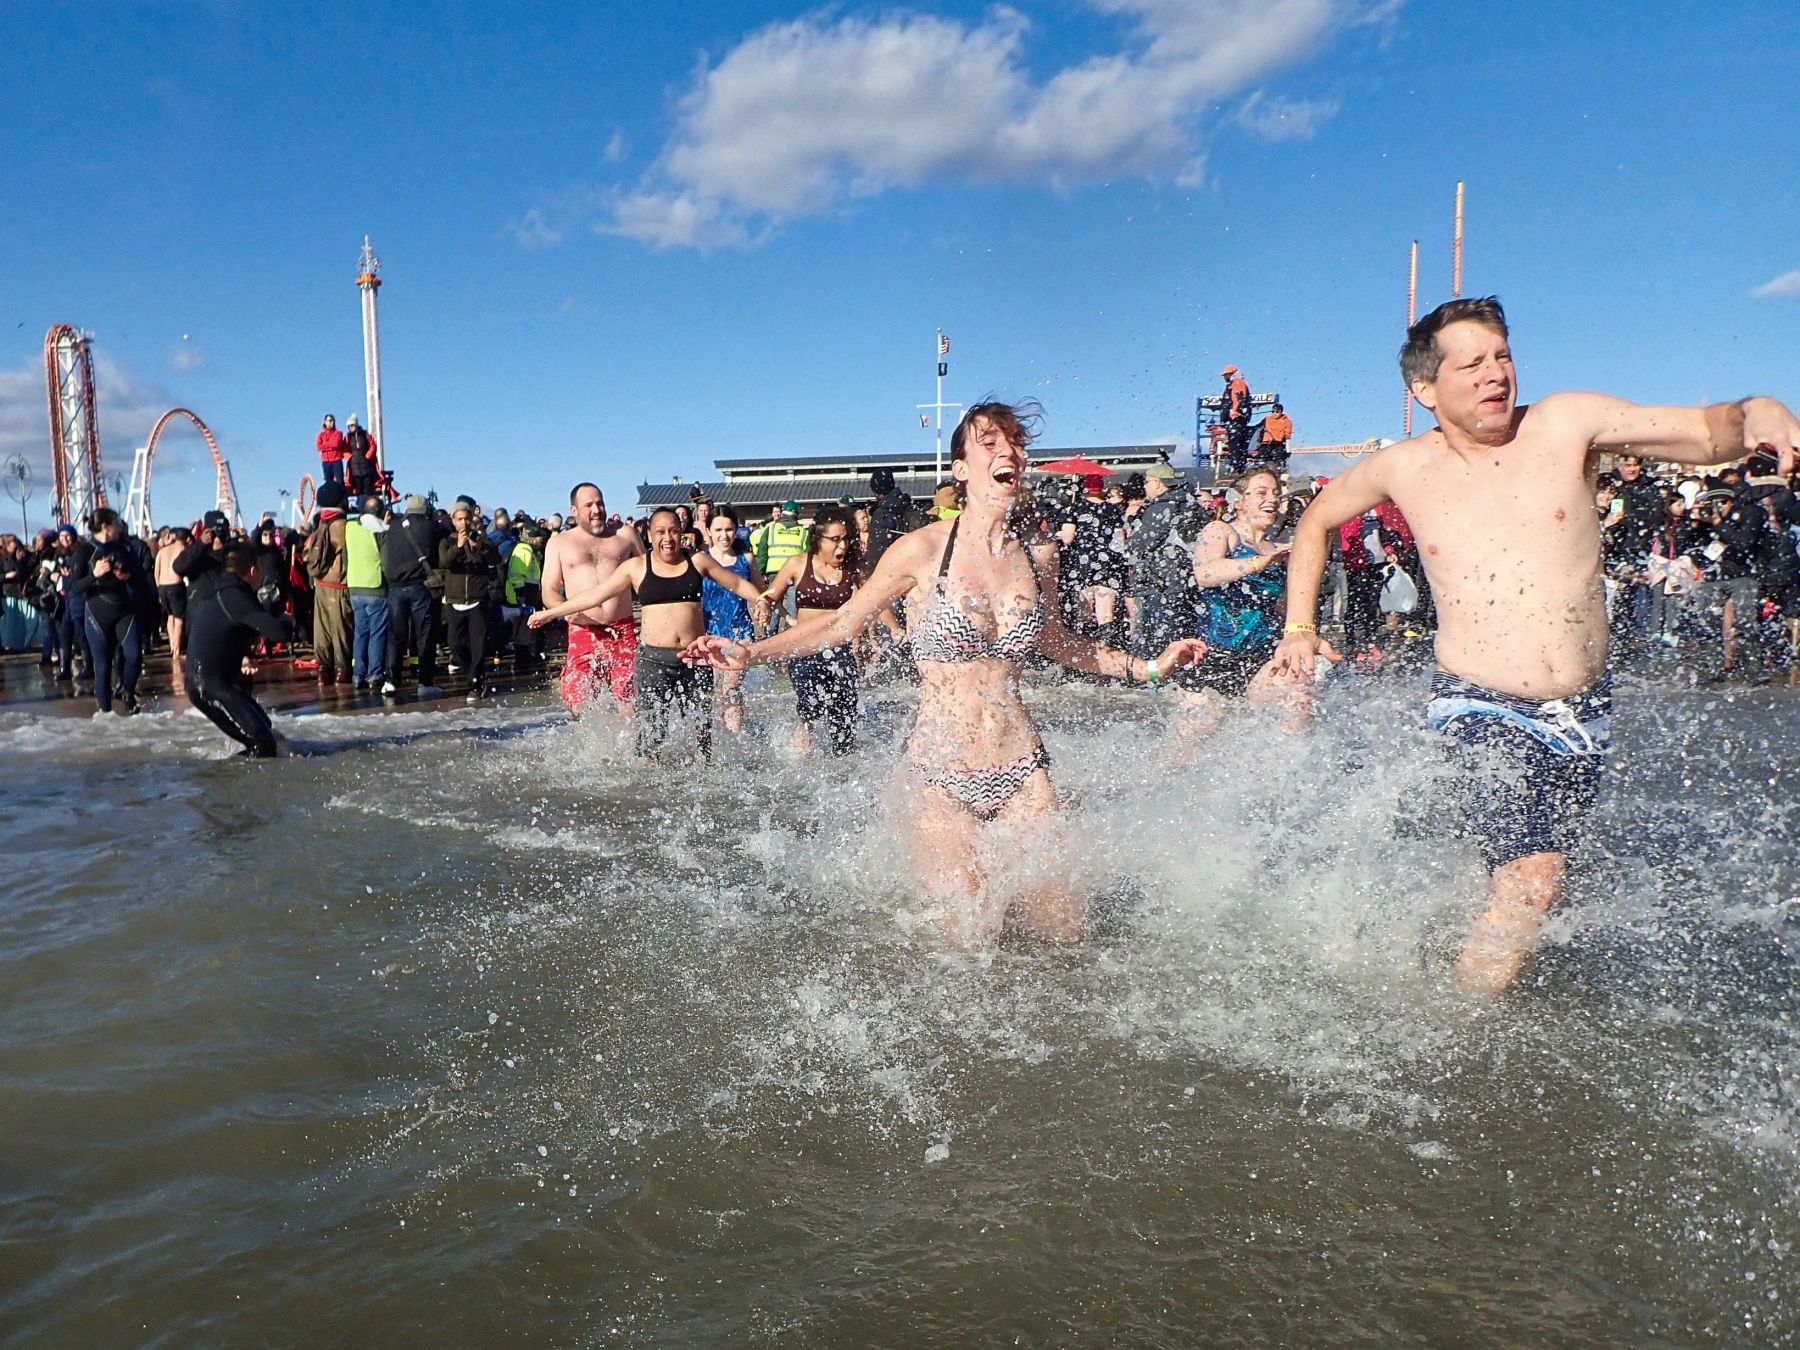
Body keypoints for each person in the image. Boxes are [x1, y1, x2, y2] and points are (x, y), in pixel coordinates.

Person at [1270, 295, 1800, 994]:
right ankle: (1454, 1042)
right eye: (1472, 365)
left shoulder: (1563, 424)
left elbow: (1705, 432)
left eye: (1503, 357)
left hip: (1586, 710)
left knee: (1538, 883)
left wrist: (1756, 410)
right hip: (1479, 701)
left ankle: (1468, 961)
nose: (1496, 375)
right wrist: (1300, 629)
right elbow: (1314, 522)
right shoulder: (1401, 467)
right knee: (1534, 881)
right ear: (1424, 389)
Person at [683, 401, 1206, 947]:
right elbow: (842, 623)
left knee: (1065, 935)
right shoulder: (922, 549)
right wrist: (751, 653)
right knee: (965, 945)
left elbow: (1059, 644)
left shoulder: (1036, 557)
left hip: (1023, 766)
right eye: (990, 443)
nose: (1008, 452)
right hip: (941, 771)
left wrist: (1148, 667)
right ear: (960, 468)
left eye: (1015, 445)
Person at [529, 507, 768, 761]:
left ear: (682, 533)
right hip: (654, 661)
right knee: (653, 733)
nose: (668, 538)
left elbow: (736, 583)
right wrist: (550, 613)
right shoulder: (636, 567)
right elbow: (594, 595)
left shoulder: (697, 561)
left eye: (674, 531)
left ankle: (703, 782)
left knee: (701, 732)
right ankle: (647, 785)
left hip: (694, 659)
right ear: (650, 537)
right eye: (661, 532)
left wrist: (761, 598)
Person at [759, 504, 891, 756]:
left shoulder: (853, 570)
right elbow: (772, 595)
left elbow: (876, 600)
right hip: (804, 652)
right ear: (818, 539)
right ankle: (801, 764)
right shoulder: (798, 564)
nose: (842, 546)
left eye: (845, 539)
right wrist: (769, 608)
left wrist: (896, 630)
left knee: (844, 714)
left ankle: (842, 765)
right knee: (809, 709)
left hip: (839, 653)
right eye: (835, 540)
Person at [1178, 467, 1295, 707]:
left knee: (1298, 698)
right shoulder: (1220, 530)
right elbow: (1204, 573)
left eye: (1276, 493)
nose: (1272, 498)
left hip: (1264, 653)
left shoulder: (1277, 549)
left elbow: (1281, 606)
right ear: (1239, 502)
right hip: (1215, 653)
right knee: (1198, 736)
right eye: (1261, 492)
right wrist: (1257, 563)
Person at [175, 541, 293, 757]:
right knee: (263, 746)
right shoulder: (235, 597)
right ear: (252, 570)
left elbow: (227, 629)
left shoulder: (221, 589)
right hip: (208, 687)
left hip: (214, 683)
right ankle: (226, 784)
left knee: (266, 729)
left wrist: (245, 656)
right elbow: (279, 633)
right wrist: (286, 619)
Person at [542, 482, 644, 715]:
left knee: (629, 703)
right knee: (580, 705)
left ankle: (631, 750)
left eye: (600, 503)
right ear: (574, 511)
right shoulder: (559, 543)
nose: (597, 510)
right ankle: (593, 751)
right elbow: (548, 590)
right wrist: (564, 609)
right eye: (589, 505)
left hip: (622, 629)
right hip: (583, 630)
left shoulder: (624, 535)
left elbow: (647, 576)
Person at [69, 508, 156, 715]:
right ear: (106, 526)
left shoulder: (124, 546)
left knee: (134, 656)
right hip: (98, 614)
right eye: (117, 523)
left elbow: (141, 577)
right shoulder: (84, 551)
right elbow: (73, 587)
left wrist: (126, 576)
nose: (120, 526)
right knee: (103, 666)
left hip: (125, 610)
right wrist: (94, 575)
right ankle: (105, 713)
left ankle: (127, 693)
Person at [700, 505, 763, 734]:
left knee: (731, 687)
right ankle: (721, 737)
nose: (724, 535)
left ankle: (735, 736)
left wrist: (771, 611)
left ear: (736, 529)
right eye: (718, 530)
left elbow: (760, 592)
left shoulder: (745, 559)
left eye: (729, 529)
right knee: (715, 692)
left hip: (741, 632)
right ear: (708, 531)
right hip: (710, 634)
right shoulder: (701, 561)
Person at [439, 503, 502, 700]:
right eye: (460, 519)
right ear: (453, 521)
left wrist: (480, 547)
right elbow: (445, 563)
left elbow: (496, 560)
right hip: (455, 600)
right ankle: (470, 672)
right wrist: (458, 547)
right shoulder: (446, 542)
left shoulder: (482, 541)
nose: (464, 523)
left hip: (477, 600)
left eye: (467, 519)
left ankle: (476, 682)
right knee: (455, 644)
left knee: (479, 645)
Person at [381, 494, 441, 696]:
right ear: (425, 510)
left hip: (395, 588)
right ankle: (425, 682)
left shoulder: (393, 528)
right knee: (424, 635)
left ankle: (391, 680)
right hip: (419, 587)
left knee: (395, 636)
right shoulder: (430, 527)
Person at [304, 481, 353, 685]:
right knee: (341, 631)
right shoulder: (343, 526)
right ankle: (343, 672)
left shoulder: (319, 524)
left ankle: (324, 671)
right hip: (339, 586)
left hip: (320, 584)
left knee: (322, 632)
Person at [345, 495, 390, 691]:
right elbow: (386, 559)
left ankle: (358, 674)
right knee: (377, 633)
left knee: (360, 632)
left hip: (355, 585)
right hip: (376, 585)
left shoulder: (349, 527)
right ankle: (375, 673)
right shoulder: (380, 529)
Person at [154, 526, 190, 657]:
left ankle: (171, 644)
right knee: (179, 618)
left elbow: (156, 572)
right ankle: (176, 649)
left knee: (170, 616)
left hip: (162, 586)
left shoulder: (162, 551)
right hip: (175, 585)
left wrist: (158, 588)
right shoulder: (182, 549)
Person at [1222, 365, 1253, 475]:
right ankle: (1238, 465)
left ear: (1231, 374)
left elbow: (1239, 399)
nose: (1224, 377)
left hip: (1236, 418)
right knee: (1236, 444)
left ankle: (1238, 466)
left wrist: (1234, 412)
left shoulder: (1237, 383)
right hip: (1236, 418)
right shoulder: (1234, 384)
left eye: (1226, 375)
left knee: (1235, 443)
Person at [345, 414, 378, 498]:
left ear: (356, 425)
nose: (350, 427)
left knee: (368, 488)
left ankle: (369, 506)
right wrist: (349, 457)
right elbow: (343, 449)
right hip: (354, 468)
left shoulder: (365, 435)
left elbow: (373, 445)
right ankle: (361, 507)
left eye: (352, 425)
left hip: (366, 466)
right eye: (349, 426)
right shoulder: (348, 437)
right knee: (358, 490)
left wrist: (368, 456)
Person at [316, 414, 348, 489]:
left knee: (340, 482)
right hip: (326, 462)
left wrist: (325, 446)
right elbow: (318, 446)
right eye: (329, 421)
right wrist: (330, 446)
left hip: (336, 460)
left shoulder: (338, 433)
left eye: (333, 421)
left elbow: (336, 444)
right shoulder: (321, 435)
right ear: (325, 422)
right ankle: (330, 499)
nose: (331, 423)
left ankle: (342, 499)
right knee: (328, 483)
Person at [1259, 402, 1294, 468]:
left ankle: (1276, 468)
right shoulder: (1267, 419)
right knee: (1263, 453)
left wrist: (1288, 449)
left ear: (1281, 412)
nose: (1275, 413)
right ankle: (1263, 467)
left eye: (1277, 411)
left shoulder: (1286, 421)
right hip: (1266, 442)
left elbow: (1287, 436)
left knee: (1277, 455)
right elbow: (1258, 428)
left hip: (1278, 443)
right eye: (1273, 411)